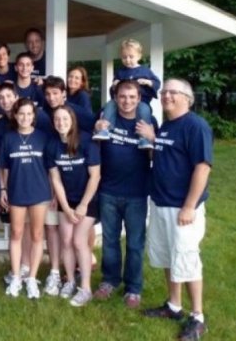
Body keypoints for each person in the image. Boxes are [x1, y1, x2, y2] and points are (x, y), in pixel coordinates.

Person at [141, 78, 213, 341]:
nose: (166, 95)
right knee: (167, 256)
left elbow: (202, 167)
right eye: (164, 91)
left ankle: (197, 317)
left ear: (187, 98)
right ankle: (174, 306)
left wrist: (189, 206)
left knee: (187, 258)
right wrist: (152, 140)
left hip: (182, 208)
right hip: (160, 202)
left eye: (173, 92)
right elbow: (165, 156)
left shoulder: (196, 126)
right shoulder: (167, 126)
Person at [92, 80, 156, 308]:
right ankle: (109, 281)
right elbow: (93, 147)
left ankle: (133, 288)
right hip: (108, 191)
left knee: (135, 243)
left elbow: (157, 156)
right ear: (115, 98)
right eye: (122, 96)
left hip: (136, 193)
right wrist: (96, 128)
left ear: (139, 99)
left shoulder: (147, 122)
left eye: (131, 97)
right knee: (109, 241)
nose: (126, 101)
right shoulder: (106, 118)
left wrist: (152, 138)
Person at [0, 98, 52, 300]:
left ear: (34, 116)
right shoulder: (8, 138)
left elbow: (51, 169)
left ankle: (31, 278)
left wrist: (53, 192)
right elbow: (3, 167)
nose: (25, 117)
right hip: (16, 191)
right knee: (16, 233)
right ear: (15, 115)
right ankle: (16, 277)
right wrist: (3, 188)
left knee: (37, 235)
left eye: (29, 114)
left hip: (39, 191)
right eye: (21, 113)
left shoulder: (43, 137)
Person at [48, 105, 101, 306]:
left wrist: (83, 205)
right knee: (66, 240)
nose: (61, 123)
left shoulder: (86, 141)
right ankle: (70, 281)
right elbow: (56, 179)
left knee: (79, 241)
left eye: (65, 119)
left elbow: (95, 176)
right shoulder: (52, 145)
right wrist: (66, 207)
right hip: (66, 200)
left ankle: (85, 288)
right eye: (57, 119)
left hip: (88, 199)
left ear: (72, 120)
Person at [93, 39, 160, 149]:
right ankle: (105, 129)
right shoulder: (120, 72)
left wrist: (148, 82)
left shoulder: (145, 71)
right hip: (119, 101)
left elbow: (157, 83)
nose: (128, 60)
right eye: (124, 57)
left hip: (142, 101)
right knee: (109, 105)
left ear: (139, 56)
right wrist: (115, 84)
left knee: (144, 110)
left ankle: (144, 138)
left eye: (131, 57)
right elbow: (114, 90)